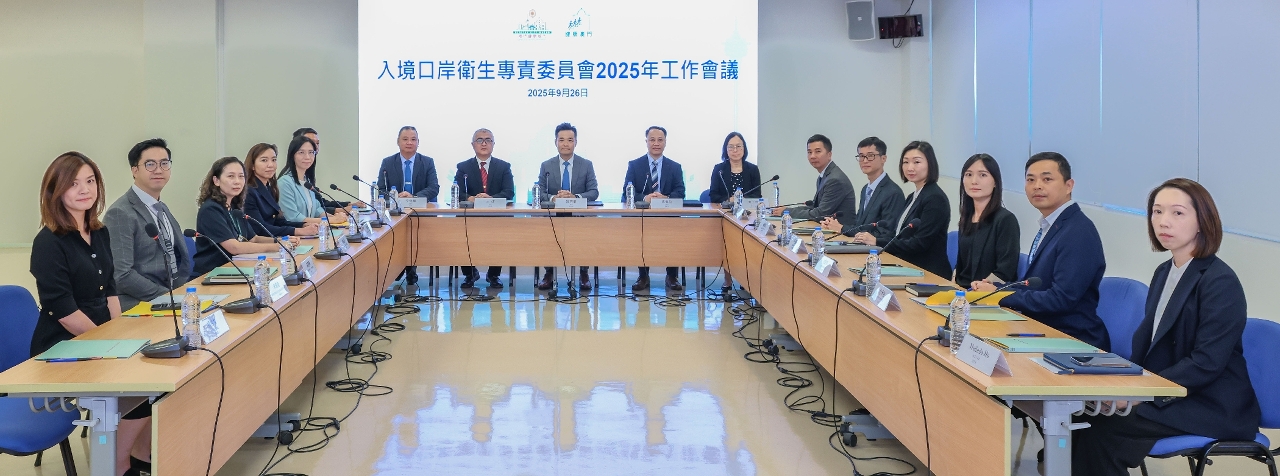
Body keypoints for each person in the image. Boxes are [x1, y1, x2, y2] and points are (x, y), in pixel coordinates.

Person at [1072, 178, 1259, 476]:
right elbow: (1151, 344)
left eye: (1177, 213)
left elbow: (1206, 363)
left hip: (1211, 403)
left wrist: (1139, 393)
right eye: (1157, 212)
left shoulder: (1220, 281)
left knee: (1106, 426)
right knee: (1085, 413)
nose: (1163, 221)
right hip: (1172, 390)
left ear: (1202, 221)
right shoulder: (1164, 271)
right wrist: (1120, 385)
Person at [32, 152, 151, 475]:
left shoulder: (99, 231)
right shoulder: (48, 242)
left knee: (153, 375)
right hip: (63, 345)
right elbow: (64, 310)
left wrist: (120, 334)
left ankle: (138, 456)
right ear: (55, 191)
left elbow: (110, 289)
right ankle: (118, 464)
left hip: (101, 339)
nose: (85, 189)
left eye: (90, 181)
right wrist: (109, 344)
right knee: (138, 387)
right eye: (73, 184)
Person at [996, 152, 1109, 351]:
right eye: (1031, 180)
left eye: (1047, 179)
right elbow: (1035, 286)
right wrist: (997, 288)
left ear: (1069, 185)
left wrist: (1002, 296)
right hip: (1042, 331)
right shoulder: (1052, 226)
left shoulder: (1078, 231)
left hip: (1073, 341)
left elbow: (1061, 299)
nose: (1037, 186)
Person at [103, 138, 193, 312]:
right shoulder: (120, 213)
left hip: (171, 298)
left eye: (164, 163)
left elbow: (176, 257)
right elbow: (122, 274)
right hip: (138, 304)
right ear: (134, 170)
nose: (158, 170)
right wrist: (167, 297)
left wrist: (180, 294)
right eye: (150, 164)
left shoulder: (161, 207)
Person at [194, 157, 291, 277]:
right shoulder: (211, 209)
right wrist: (276, 247)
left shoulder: (234, 207)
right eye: (231, 176)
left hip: (238, 267)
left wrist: (281, 241)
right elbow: (235, 247)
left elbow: (253, 238)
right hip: (213, 273)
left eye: (241, 176)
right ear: (216, 180)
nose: (237, 181)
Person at [536, 122, 599, 291]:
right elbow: (539, 191)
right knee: (546, 231)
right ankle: (549, 273)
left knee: (585, 232)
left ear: (575, 142)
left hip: (579, 216)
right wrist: (554, 197)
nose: (565, 144)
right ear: (555, 142)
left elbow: (594, 192)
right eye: (561, 140)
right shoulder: (546, 165)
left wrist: (575, 197)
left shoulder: (586, 164)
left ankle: (584, 273)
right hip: (554, 216)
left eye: (570, 140)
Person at [622, 126, 686, 291]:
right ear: (646, 142)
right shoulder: (635, 165)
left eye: (660, 140)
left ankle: (672, 276)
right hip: (643, 216)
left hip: (667, 216)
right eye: (652, 140)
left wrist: (665, 198)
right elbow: (626, 193)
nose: (656, 143)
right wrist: (645, 198)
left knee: (674, 231)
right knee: (641, 233)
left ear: (665, 142)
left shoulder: (674, 166)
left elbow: (680, 192)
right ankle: (643, 276)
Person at [378, 125, 440, 285]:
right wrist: (395, 196)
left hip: (420, 213)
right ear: (398, 142)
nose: (409, 142)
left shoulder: (427, 162)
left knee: (413, 234)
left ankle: (410, 269)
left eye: (413, 139)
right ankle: (400, 267)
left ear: (418, 142)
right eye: (405, 139)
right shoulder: (388, 162)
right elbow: (381, 189)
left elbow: (434, 188)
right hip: (395, 213)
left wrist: (413, 197)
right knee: (397, 236)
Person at [455, 128, 515, 288]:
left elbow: (509, 191)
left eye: (488, 140)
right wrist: (470, 198)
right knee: (459, 228)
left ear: (493, 144)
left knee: (502, 230)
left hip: (496, 215)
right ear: (473, 144)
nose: (484, 143)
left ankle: (493, 275)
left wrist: (491, 199)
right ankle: (469, 274)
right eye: (479, 140)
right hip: (470, 216)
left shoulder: (503, 167)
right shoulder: (463, 167)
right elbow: (457, 191)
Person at [820, 136, 906, 244]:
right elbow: (859, 226)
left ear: (883, 158)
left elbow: (885, 234)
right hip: (860, 245)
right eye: (861, 156)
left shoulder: (893, 192)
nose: (865, 160)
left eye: (870, 156)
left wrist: (842, 228)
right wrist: (835, 226)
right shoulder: (865, 189)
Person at [952, 154, 1020, 288]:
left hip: (986, 293)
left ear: (995, 182)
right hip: (960, 291)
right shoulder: (967, 217)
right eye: (969, 174)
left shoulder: (1005, 220)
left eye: (982, 175)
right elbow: (960, 265)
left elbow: (1005, 271)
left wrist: (977, 289)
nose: (974, 181)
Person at [771, 134, 858, 226]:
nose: (812, 156)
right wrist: (786, 210)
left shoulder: (835, 180)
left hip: (841, 233)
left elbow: (819, 214)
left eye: (818, 151)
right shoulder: (825, 176)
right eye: (809, 152)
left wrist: (786, 212)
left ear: (829, 155)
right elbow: (814, 207)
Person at [244, 142, 319, 238]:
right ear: (252, 165)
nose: (270, 165)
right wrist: (299, 231)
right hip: (262, 243)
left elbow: (279, 222)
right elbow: (260, 229)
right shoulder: (249, 192)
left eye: (274, 160)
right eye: (264, 160)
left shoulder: (269, 188)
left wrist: (303, 225)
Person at [277, 135, 348, 224]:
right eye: (301, 152)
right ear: (292, 155)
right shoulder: (284, 183)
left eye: (311, 152)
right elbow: (293, 217)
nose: (307, 157)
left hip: (312, 231)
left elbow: (317, 210)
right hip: (296, 232)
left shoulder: (306, 180)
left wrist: (337, 218)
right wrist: (331, 220)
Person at [708, 132, 761, 203]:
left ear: (744, 148)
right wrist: (728, 200)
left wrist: (742, 199)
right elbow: (713, 195)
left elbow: (757, 195)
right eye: (731, 147)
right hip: (724, 209)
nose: (735, 150)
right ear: (726, 149)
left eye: (738, 146)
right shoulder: (719, 169)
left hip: (747, 208)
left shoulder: (753, 169)